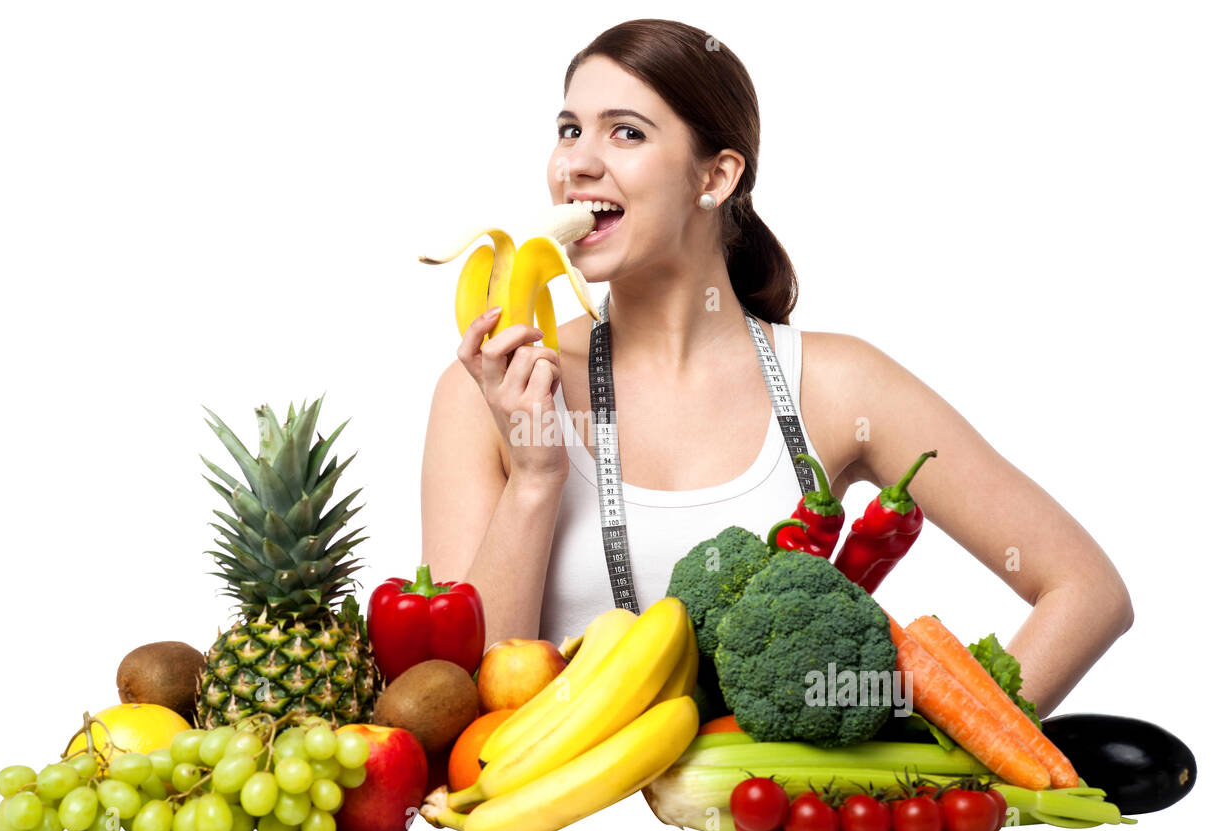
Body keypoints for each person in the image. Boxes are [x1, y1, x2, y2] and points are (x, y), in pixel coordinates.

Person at [419, 19, 1131, 717]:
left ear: (716, 176)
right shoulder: (493, 387)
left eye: (625, 131)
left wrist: (962, 764)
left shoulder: (839, 382)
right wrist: (536, 480)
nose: (573, 162)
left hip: (779, 827)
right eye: (569, 128)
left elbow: (1085, 589)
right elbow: (450, 705)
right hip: (553, 828)